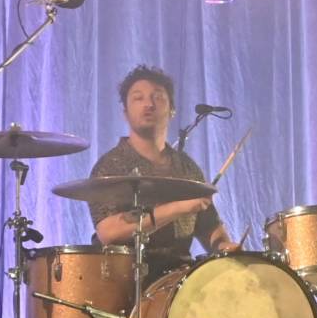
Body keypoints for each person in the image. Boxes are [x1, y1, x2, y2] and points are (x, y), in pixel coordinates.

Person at [85, 64, 238, 280]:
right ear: (125, 113)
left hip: (180, 282)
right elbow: (108, 232)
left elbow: (210, 227)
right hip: (124, 282)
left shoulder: (188, 168)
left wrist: (223, 245)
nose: (148, 104)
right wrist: (177, 208)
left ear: (172, 110)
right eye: (138, 98)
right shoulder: (110, 166)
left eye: (157, 97)